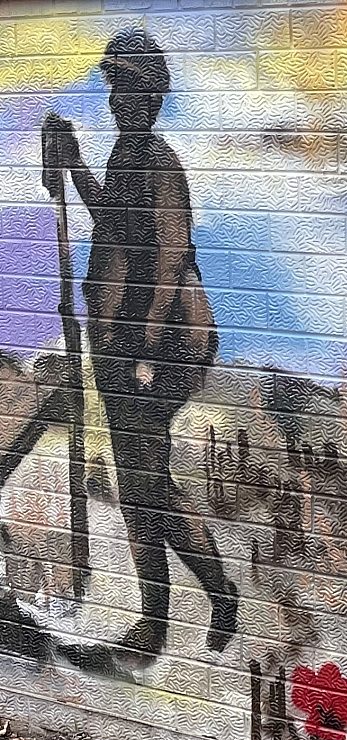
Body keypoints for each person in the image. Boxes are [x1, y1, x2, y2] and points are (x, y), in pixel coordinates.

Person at [38, 28, 236, 663]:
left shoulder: (159, 160)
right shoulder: (125, 157)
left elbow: (173, 256)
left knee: (144, 479)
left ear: (153, 94)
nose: (121, 99)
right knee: (139, 481)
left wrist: (148, 348)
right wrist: (74, 167)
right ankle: (189, 604)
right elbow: (114, 225)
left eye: (132, 88)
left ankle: (174, 610)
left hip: (163, 343)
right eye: (115, 86)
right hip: (124, 344)